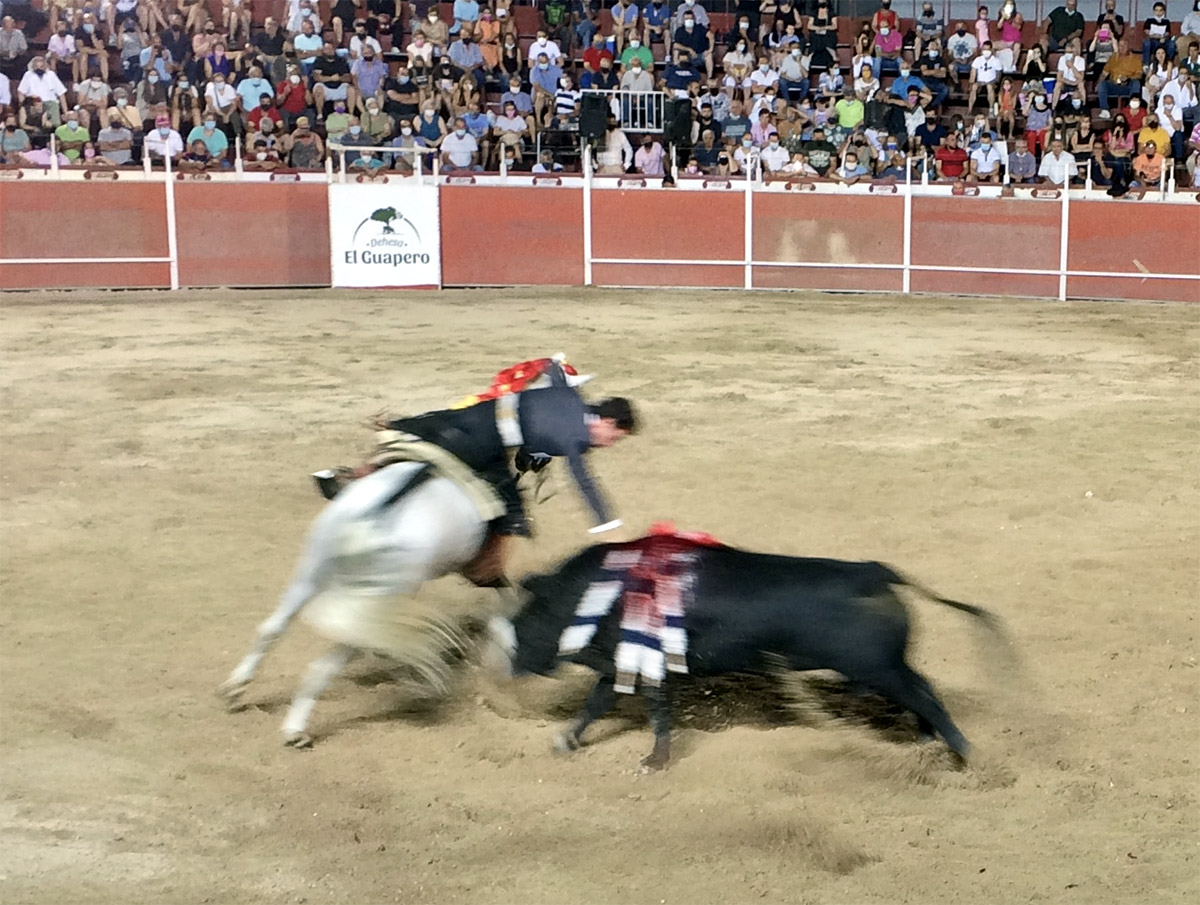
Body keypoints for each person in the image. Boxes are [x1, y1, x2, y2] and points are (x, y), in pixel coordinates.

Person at [344, 364, 638, 586]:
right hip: (483, 444)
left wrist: (555, 366)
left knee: (409, 434)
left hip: (466, 416)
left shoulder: (570, 395)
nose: (610, 443)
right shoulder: (574, 436)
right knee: (512, 509)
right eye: (615, 436)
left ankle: (355, 474)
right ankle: (484, 570)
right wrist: (609, 529)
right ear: (607, 422)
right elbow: (584, 482)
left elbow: (552, 367)